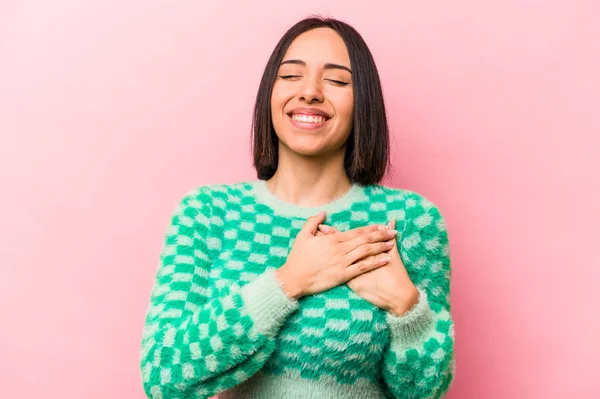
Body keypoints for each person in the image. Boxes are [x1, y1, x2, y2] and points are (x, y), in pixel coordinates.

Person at [139, 16, 456, 399]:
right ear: (269, 95)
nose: (310, 92)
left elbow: (424, 391)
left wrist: (407, 308)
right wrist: (287, 283)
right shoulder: (209, 213)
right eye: (291, 76)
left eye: (337, 81)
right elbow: (163, 375)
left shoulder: (408, 220)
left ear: (363, 103)